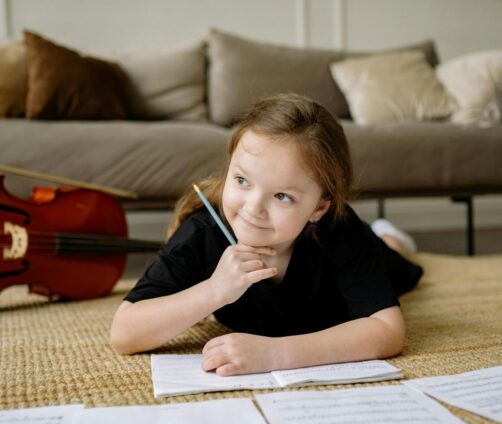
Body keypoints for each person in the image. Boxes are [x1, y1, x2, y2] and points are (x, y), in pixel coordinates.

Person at [110, 92, 423, 376]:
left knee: (397, 264)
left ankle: (391, 239)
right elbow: (124, 333)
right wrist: (215, 290)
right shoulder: (202, 231)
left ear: (318, 208)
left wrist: (276, 354)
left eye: (282, 196)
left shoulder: (337, 229)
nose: (253, 209)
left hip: (356, 269)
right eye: (242, 180)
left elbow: (388, 330)